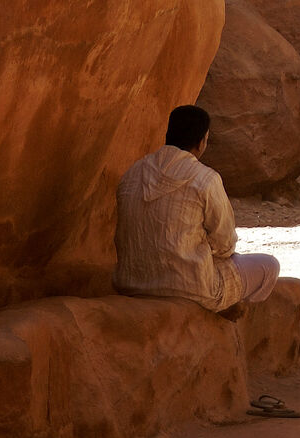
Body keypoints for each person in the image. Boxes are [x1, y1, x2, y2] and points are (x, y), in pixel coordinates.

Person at [114, 104, 281, 314]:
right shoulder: (205, 178)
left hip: (132, 283)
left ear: (168, 134)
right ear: (202, 142)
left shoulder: (132, 173)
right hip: (190, 287)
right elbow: (225, 243)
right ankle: (221, 312)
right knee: (269, 266)